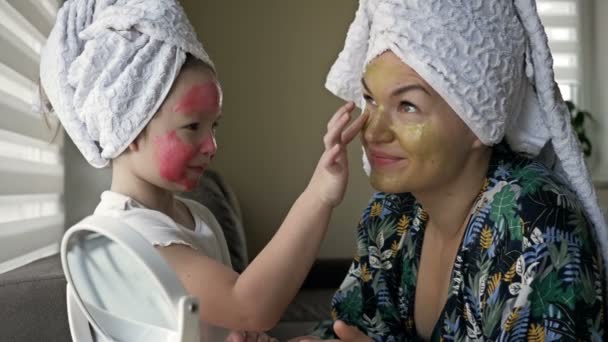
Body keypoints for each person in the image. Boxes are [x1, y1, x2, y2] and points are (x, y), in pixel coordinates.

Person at [37, 0, 367, 341]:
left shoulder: (198, 218)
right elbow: (251, 307)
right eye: (192, 126)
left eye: (214, 127)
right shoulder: (115, 238)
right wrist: (319, 195)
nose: (211, 146)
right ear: (127, 128)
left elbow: (236, 326)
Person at [293, 0, 607, 341]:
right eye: (371, 100)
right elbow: (354, 328)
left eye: (407, 106)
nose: (373, 131)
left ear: (478, 120)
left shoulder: (536, 222)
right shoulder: (390, 214)